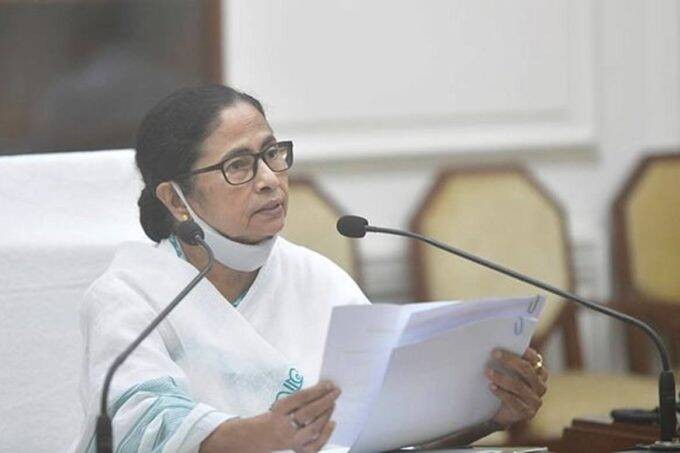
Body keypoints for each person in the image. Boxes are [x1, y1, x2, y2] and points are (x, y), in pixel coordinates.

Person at [72, 85, 549, 453]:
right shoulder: (132, 296)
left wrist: (490, 415)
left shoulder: (318, 279)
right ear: (176, 200)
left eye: (271, 154)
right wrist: (269, 434)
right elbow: (143, 429)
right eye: (238, 166)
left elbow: (382, 433)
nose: (268, 180)